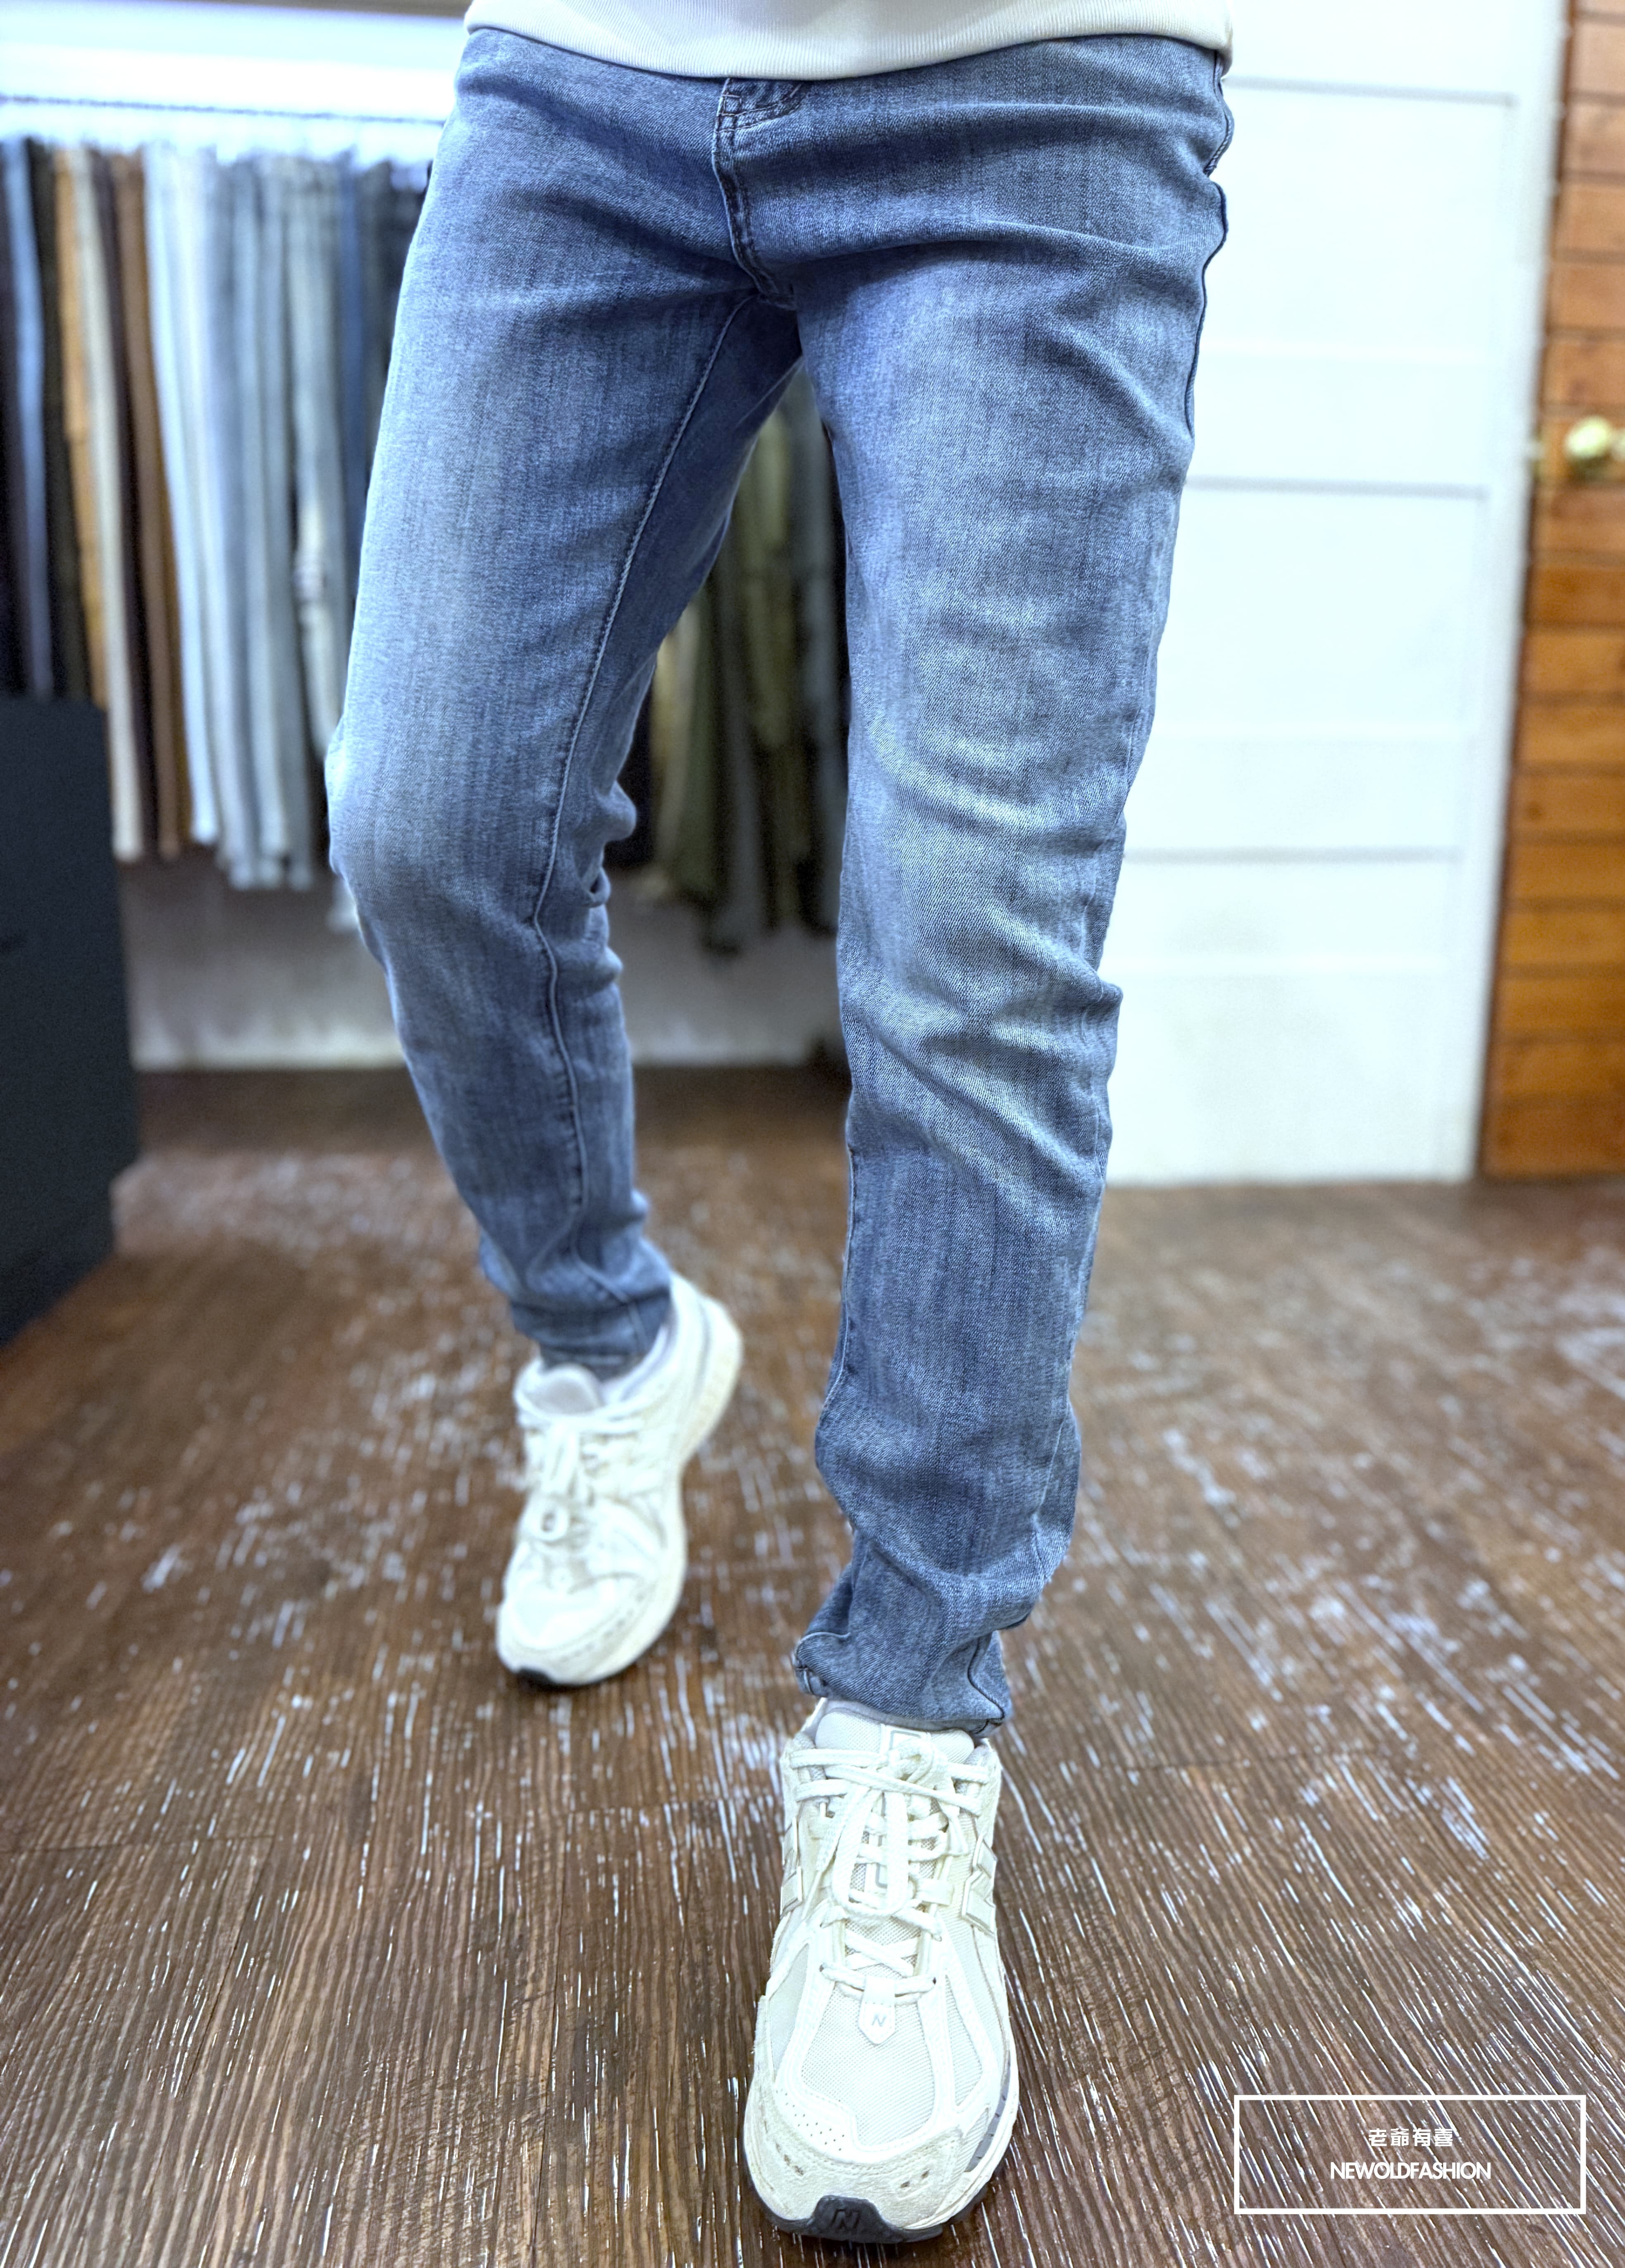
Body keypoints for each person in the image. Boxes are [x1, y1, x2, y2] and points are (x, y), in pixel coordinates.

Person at [327, 0, 1232, 2241]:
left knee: (977, 947)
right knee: (433, 820)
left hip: (1040, 83)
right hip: (588, 71)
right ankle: (614, 1347)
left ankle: (910, 1724)